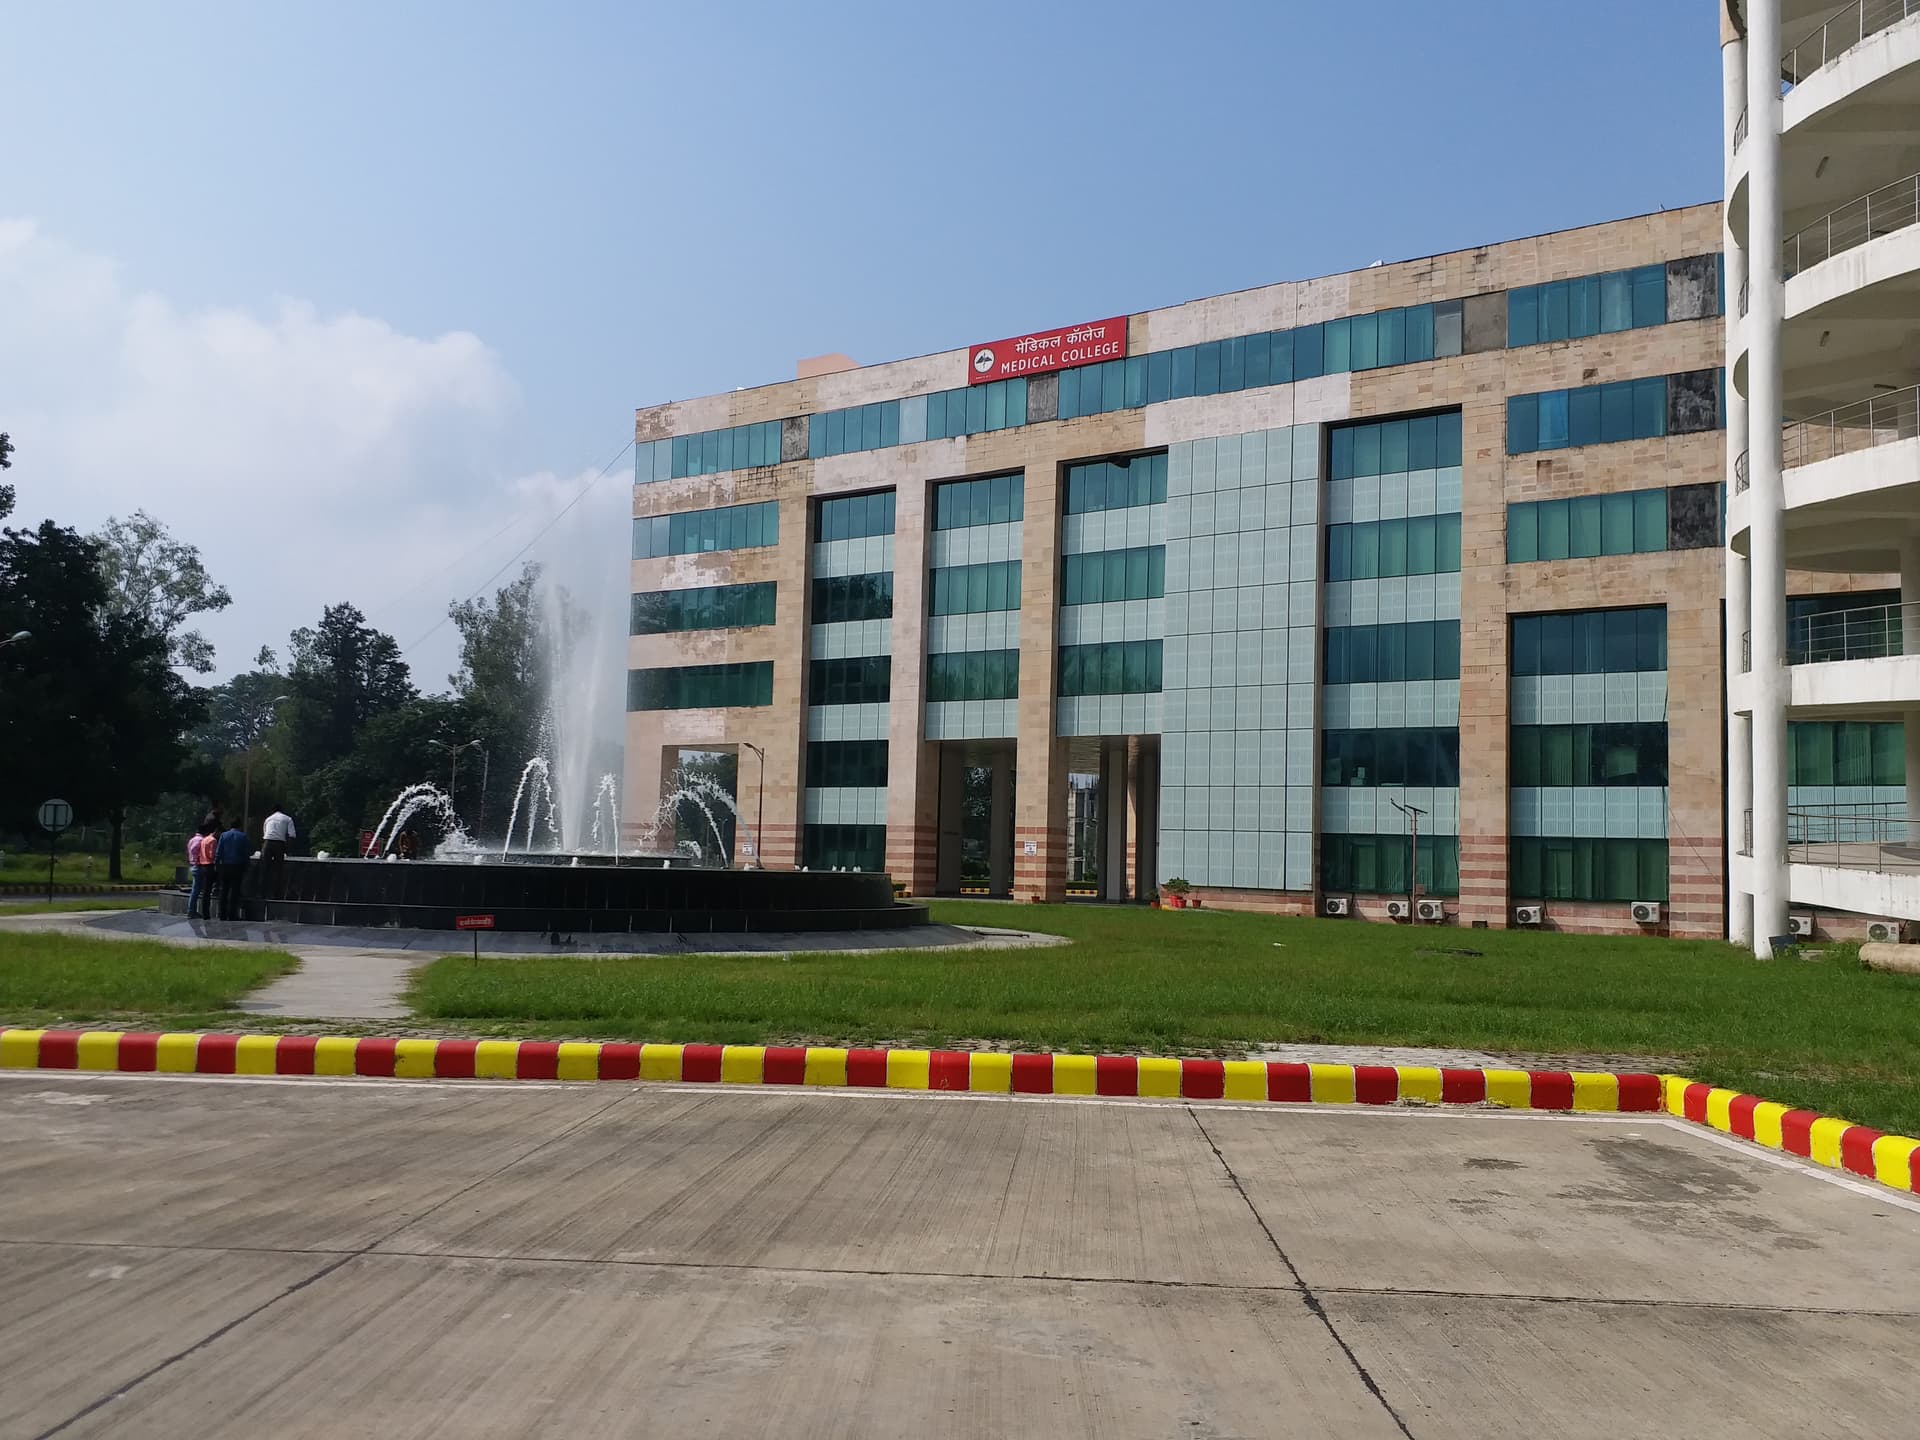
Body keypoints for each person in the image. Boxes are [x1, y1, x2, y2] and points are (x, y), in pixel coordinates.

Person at [214, 820, 250, 921]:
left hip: (225, 866)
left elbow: (219, 851)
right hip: (237, 866)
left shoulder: (223, 835)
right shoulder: (243, 836)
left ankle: (222, 914)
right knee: (234, 892)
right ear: (239, 826)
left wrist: (217, 864)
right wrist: (247, 865)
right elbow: (246, 853)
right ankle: (232, 914)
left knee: (224, 890)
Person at [185, 823, 215, 920]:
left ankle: (192, 910)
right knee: (197, 890)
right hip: (199, 866)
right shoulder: (201, 840)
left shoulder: (192, 840)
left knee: (196, 890)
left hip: (193, 865)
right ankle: (191, 911)